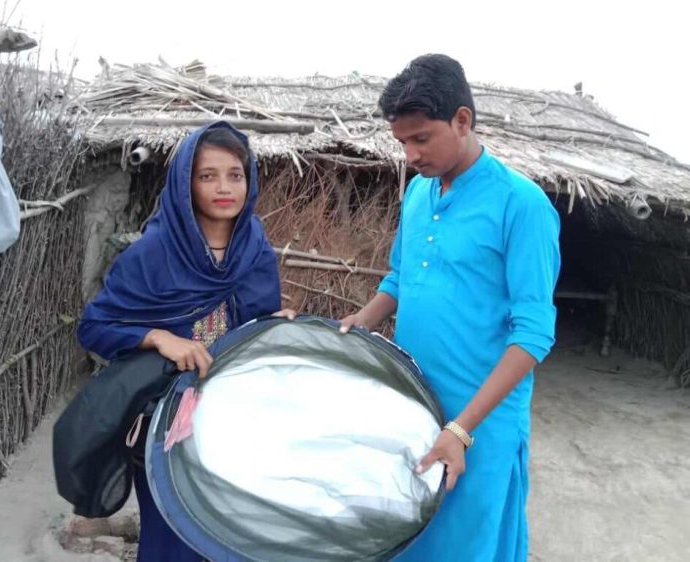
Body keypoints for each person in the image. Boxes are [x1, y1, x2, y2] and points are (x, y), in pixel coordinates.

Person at [340, 54, 561, 562]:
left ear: (462, 120)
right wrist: (361, 322)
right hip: (414, 403)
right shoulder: (418, 194)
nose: (410, 155)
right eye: (402, 142)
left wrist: (461, 429)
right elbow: (401, 277)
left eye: (421, 138)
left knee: (467, 543)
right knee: (408, 534)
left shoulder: (521, 204)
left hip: (479, 420)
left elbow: (533, 333)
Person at [77, 121, 292, 561]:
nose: (224, 187)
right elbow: (94, 326)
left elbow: (251, 325)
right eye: (208, 176)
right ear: (185, 183)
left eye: (235, 175)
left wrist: (273, 326)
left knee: (231, 534)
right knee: (171, 539)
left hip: (233, 421)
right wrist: (158, 337)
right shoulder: (152, 254)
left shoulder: (254, 250)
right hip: (164, 422)